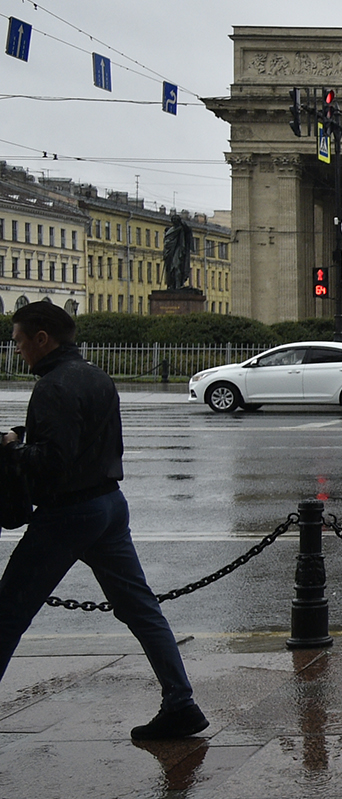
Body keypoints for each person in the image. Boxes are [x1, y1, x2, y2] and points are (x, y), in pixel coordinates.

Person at [0, 303, 207, 740]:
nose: (16, 349)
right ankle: (180, 703)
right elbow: (85, 435)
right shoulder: (95, 375)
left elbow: (55, 460)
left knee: (8, 611)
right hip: (109, 506)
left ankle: (181, 704)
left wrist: (11, 451)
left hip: (68, 513)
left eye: (18, 340)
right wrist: (25, 434)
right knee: (141, 609)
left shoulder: (52, 386)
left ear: (42, 338)